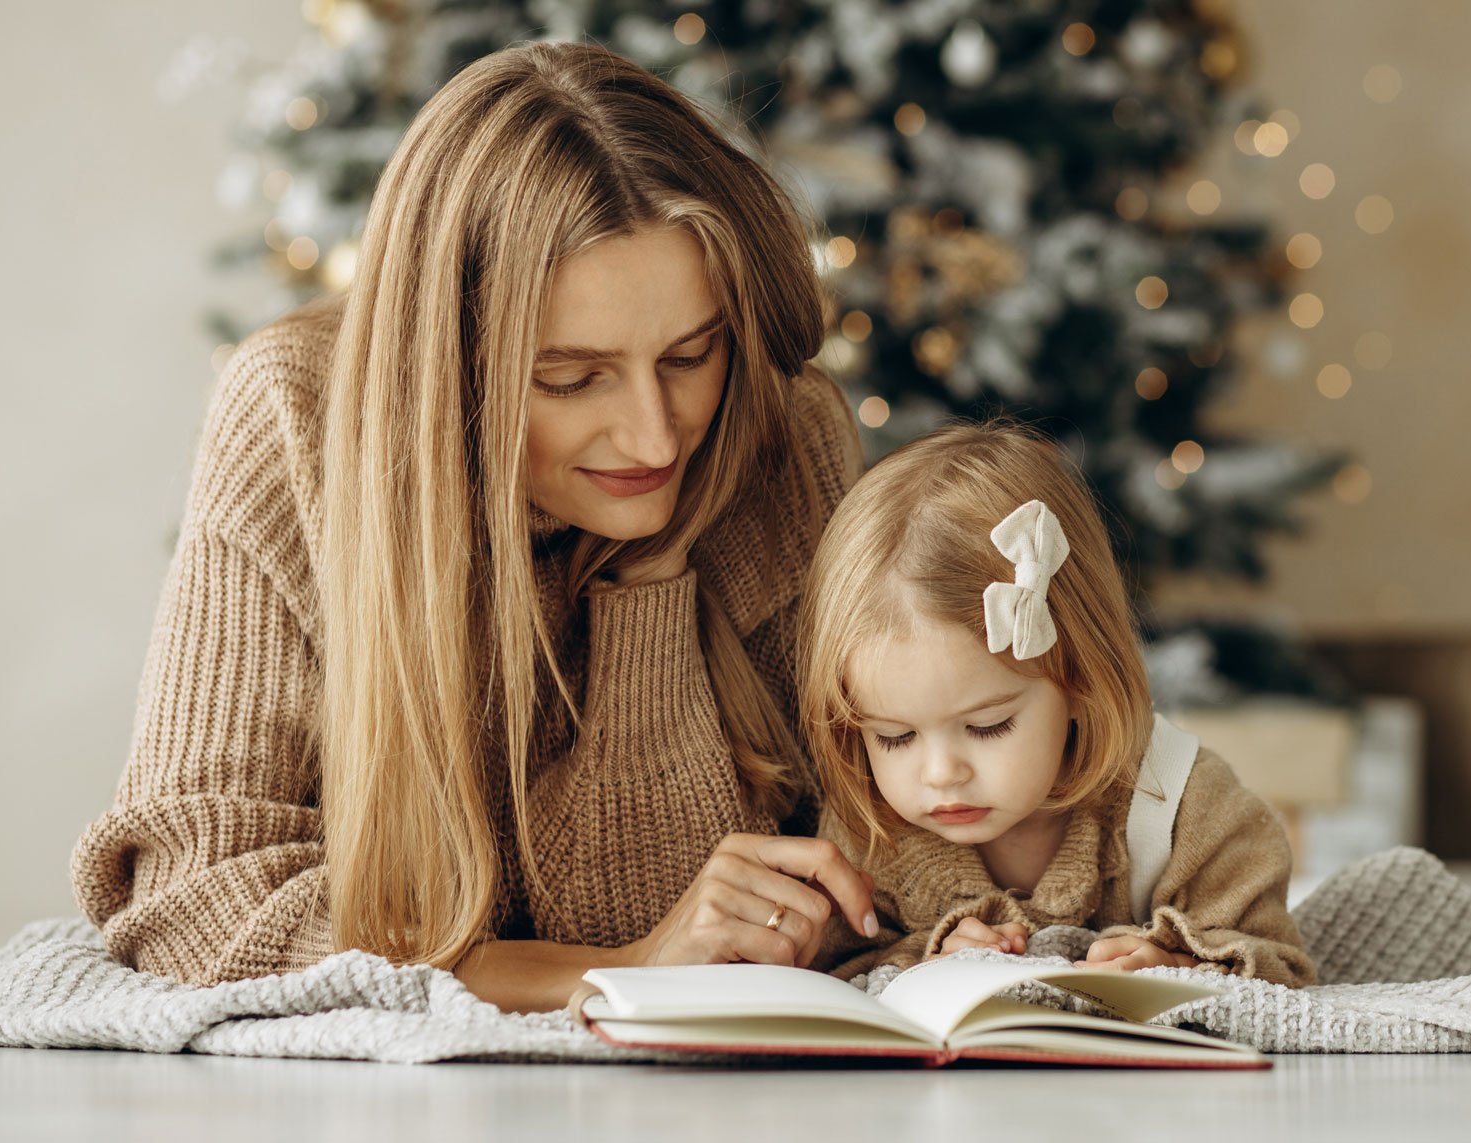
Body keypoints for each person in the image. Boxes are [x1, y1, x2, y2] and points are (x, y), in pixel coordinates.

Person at [69, 41, 879, 1013]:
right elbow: (188, 896)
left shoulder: (785, 435)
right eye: (570, 379)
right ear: (453, 364)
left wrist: (649, 572)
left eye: (690, 354)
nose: (654, 433)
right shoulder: (296, 415)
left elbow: (849, 850)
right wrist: (615, 973)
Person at [797, 423, 1317, 985]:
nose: (941, 773)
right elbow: (835, 976)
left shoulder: (1182, 810)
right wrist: (923, 965)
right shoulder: (867, 830)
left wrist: (1181, 965)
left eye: (988, 725)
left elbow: (1282, 968)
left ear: (1078, 680)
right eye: (894, 736)